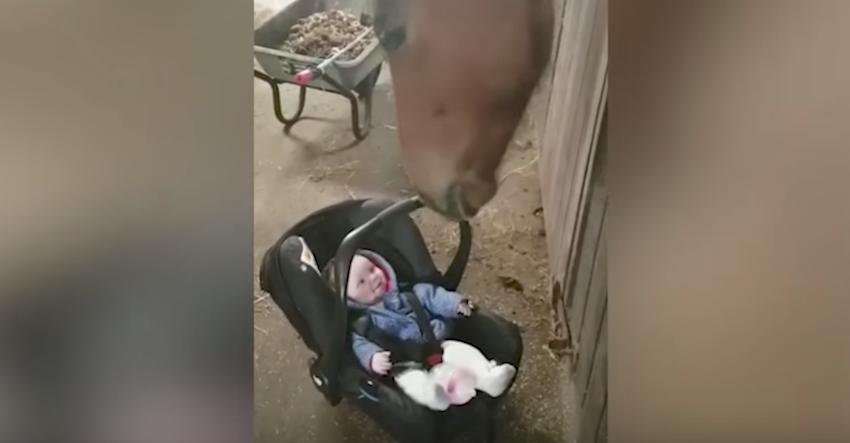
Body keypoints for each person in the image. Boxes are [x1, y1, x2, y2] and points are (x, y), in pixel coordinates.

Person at [323, 249, 516, 410]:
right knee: (413, 382)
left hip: (438, 345)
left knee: (461, 352)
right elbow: (360, 346)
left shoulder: (412, 292)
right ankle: (434, 396)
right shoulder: (363, 325)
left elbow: (435, 297)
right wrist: (373, 358)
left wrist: (456, 304)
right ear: (349, 300)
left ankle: (487, 378)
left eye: (372, 269)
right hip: (406, 365)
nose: (373, 278)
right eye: (361, 282)